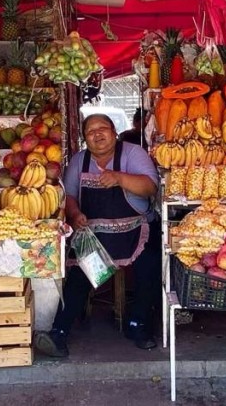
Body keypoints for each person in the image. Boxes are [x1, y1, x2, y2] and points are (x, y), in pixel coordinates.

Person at [36, 114, 161, 357]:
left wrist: (119, 178)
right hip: (95, 235)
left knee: (150, 266)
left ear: (114, 132)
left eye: (103, 128)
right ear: (85, 139)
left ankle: (138, 325)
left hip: (135, 231)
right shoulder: (79, 161)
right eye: (90, 131)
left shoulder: (132, 153)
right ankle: (59, 333)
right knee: (80, 275)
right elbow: (69, 196)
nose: (98, 134)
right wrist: (74, 214)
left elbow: (150, 187)